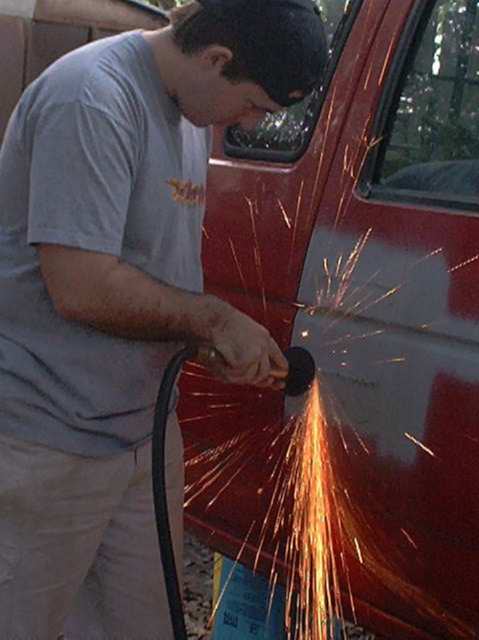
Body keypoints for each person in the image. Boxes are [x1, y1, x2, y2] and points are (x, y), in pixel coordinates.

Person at [0, 0, 327, 637]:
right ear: (217, 59)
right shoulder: (93, 99)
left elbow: (149, 271)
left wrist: (201, 342)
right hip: (45, 440)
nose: (249, 122)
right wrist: (212, 321)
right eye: (254, 105)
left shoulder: (189, 112)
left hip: (140, 436)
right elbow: (80, 286)